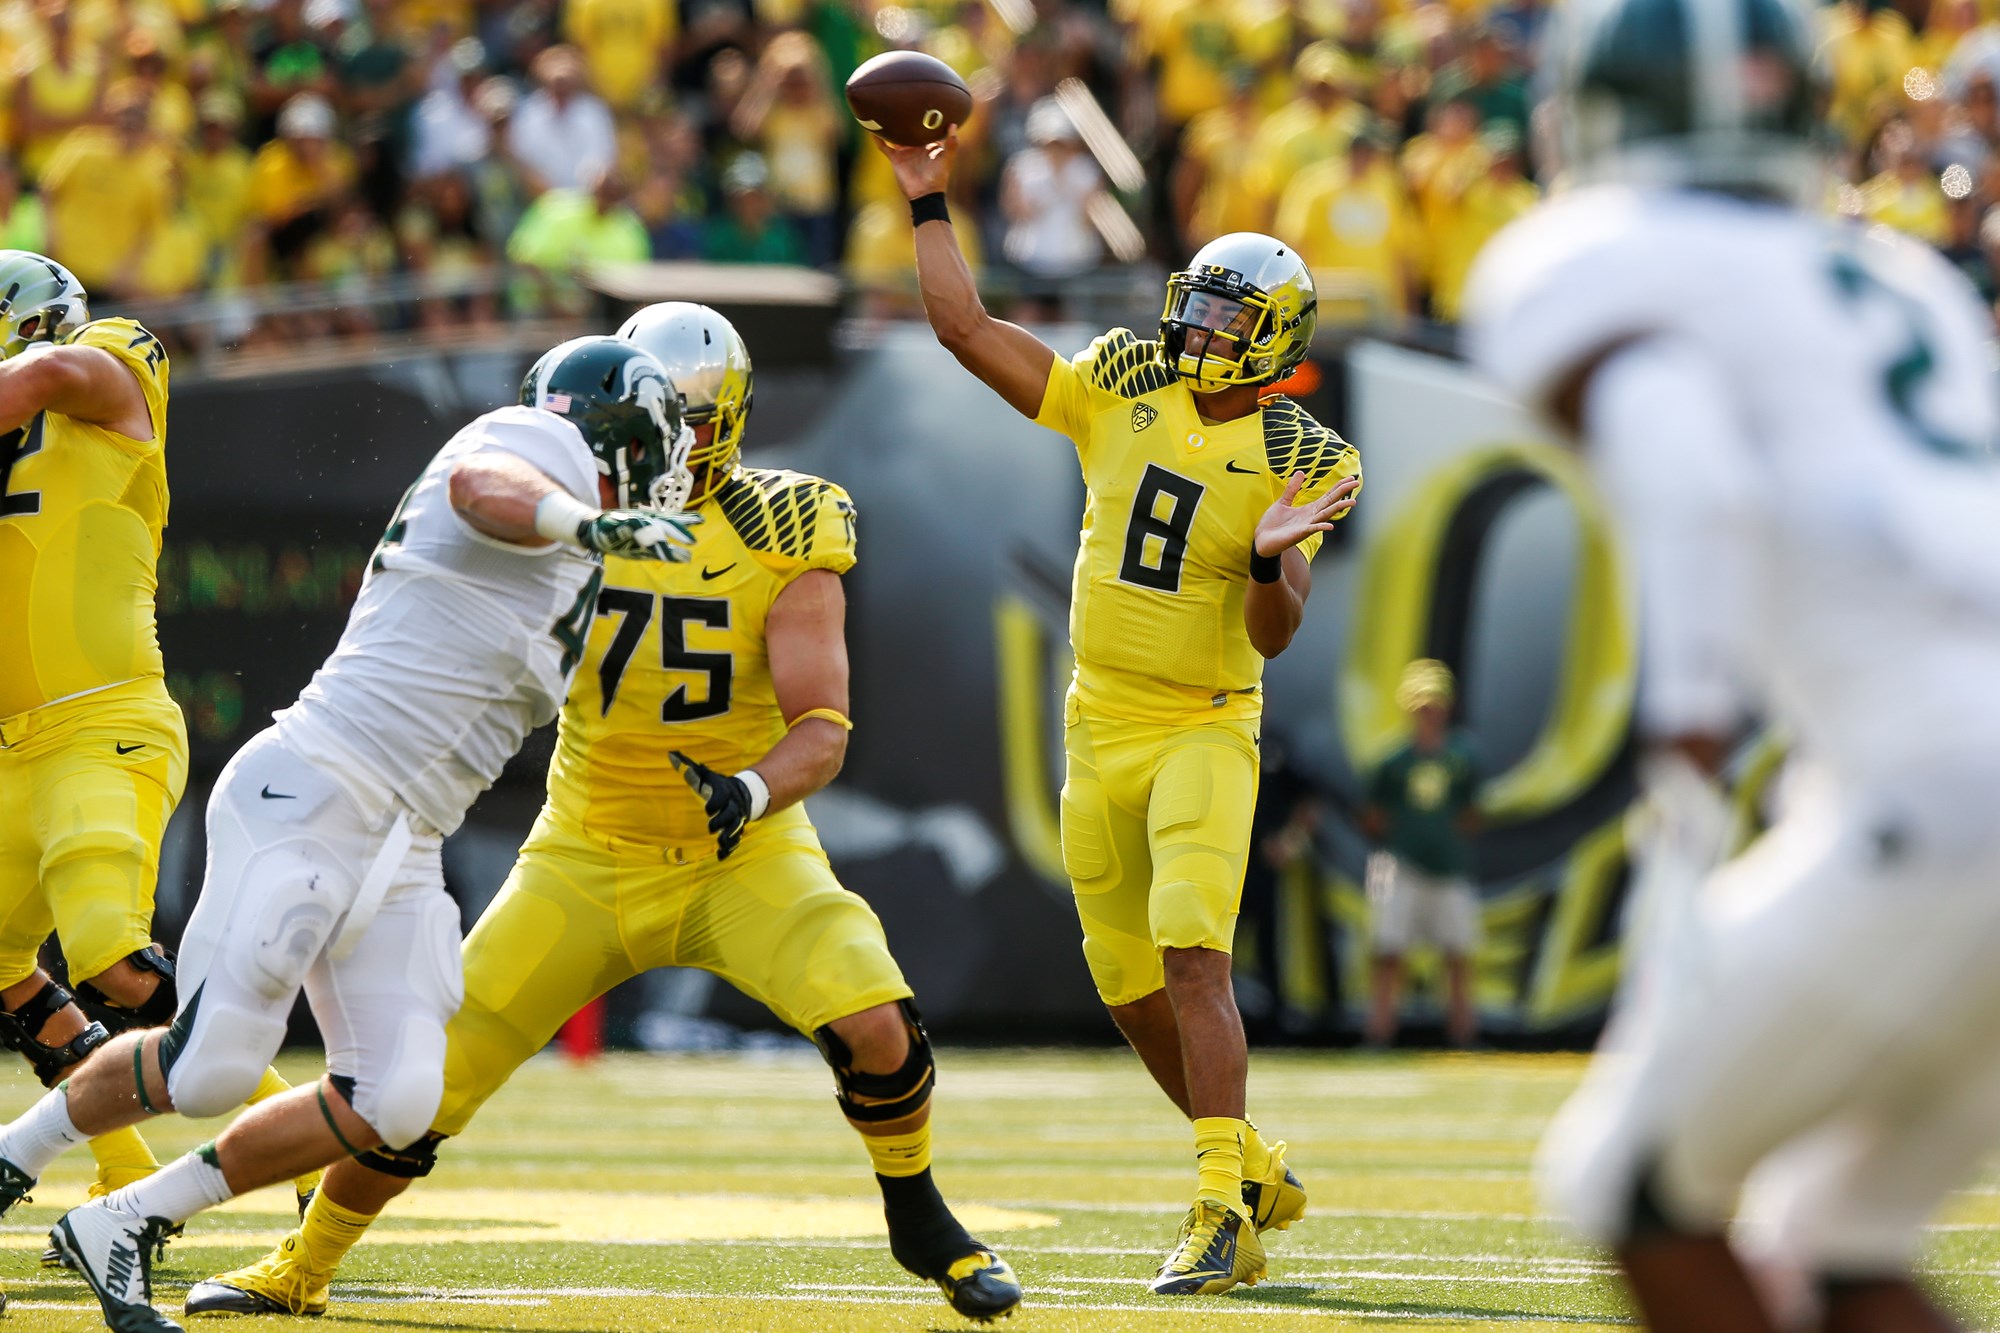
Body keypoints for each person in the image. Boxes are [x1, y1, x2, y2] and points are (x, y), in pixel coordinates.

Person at [184, 303, 1023, 1326]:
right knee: (427, 1083)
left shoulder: (786, 520)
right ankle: (302, 1264)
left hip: (739, 849)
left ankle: (920, 1212)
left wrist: (748, 791)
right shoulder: (552, 502)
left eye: (686, 423)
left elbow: (823, 725)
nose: (662, 450)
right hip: (584, 848)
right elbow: (433, 558)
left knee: (876, 1023)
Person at [1465, 0, 2000, 1327]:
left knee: (1630, 1186)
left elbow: (1685, 463)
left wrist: (1686, 748)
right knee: (1840, 1240)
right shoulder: (1902, 273)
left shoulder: (1588, 254)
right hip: (1939, 775)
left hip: (1942, 796)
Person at [0, 336, 700, 1333]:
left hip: (404, 837)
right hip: (319, 785)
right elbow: (476, 485)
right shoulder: (534, 443)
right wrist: (584, 517)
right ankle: (12, 1157)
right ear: (618, 424)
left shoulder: (581, 554)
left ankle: (127, 1216)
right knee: (211, 1068)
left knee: (399, 1096)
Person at [880, 124, 1363, 1296]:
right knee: (1124, 985)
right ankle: (1246, 1160)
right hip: (1094, 716)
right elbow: (964, 330)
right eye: (1191, 309)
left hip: (1204, 717)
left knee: (1195, 959)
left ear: (1274, 339)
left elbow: (1275, 633)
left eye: (1221, 320)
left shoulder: (1306, 451)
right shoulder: (1121, 379)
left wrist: (1261, 562)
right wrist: (926, 201)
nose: (1193, 333)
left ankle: (1218, 1214)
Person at [0, 250, 319, 1246]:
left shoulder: (106, 357)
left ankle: (312, 1136)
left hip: (105, 724)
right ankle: (119, 1172)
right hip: (8, 750)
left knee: (110, 955)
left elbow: (50, 376)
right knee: (9, 962)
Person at [1360, 659, 1481, 1049]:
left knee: (1459, 952)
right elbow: (1373, 816)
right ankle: (1379, 1032)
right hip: (1398, 867)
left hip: (1448, 868)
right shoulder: (1391, 762)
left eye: (1435, 705)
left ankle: (1464, 1034)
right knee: (1388, 950)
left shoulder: (1463, 759)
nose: (1429, 713)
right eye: (1422, 705)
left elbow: (1471, 813)